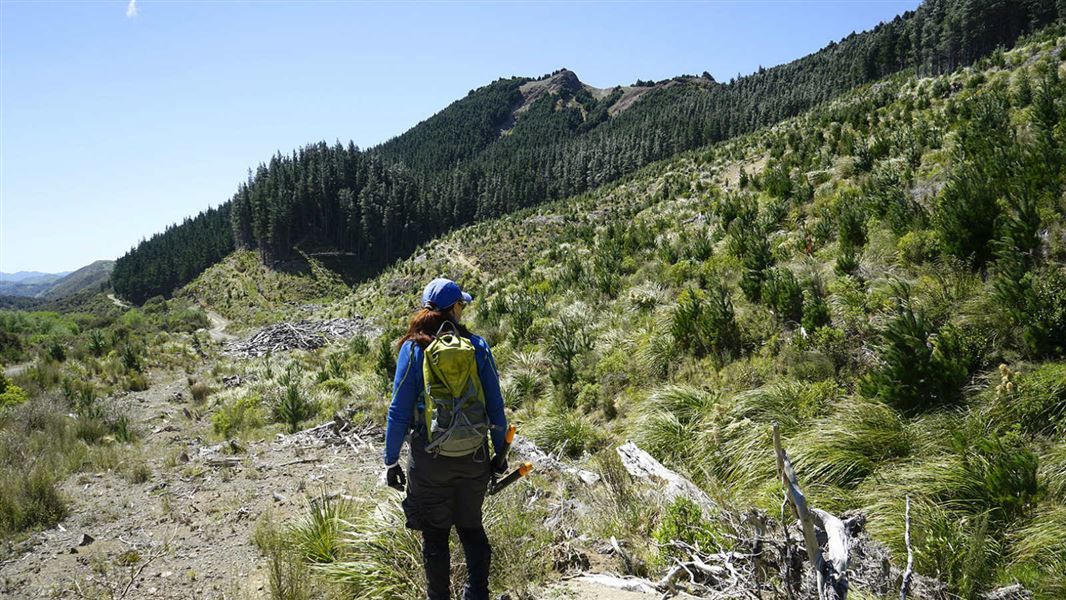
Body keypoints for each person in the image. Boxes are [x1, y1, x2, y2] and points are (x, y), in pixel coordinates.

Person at [383, 278, 508, 600]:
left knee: (435, 538)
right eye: (462, 305)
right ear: (453, 308)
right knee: (472, 530)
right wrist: (500, 452)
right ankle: (476, 595)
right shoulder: (477, 346)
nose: (463, 310)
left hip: (429, 460)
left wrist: (391, 460)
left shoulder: (413, 349)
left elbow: (398, 409)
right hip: (474, 457)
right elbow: (495, 405)